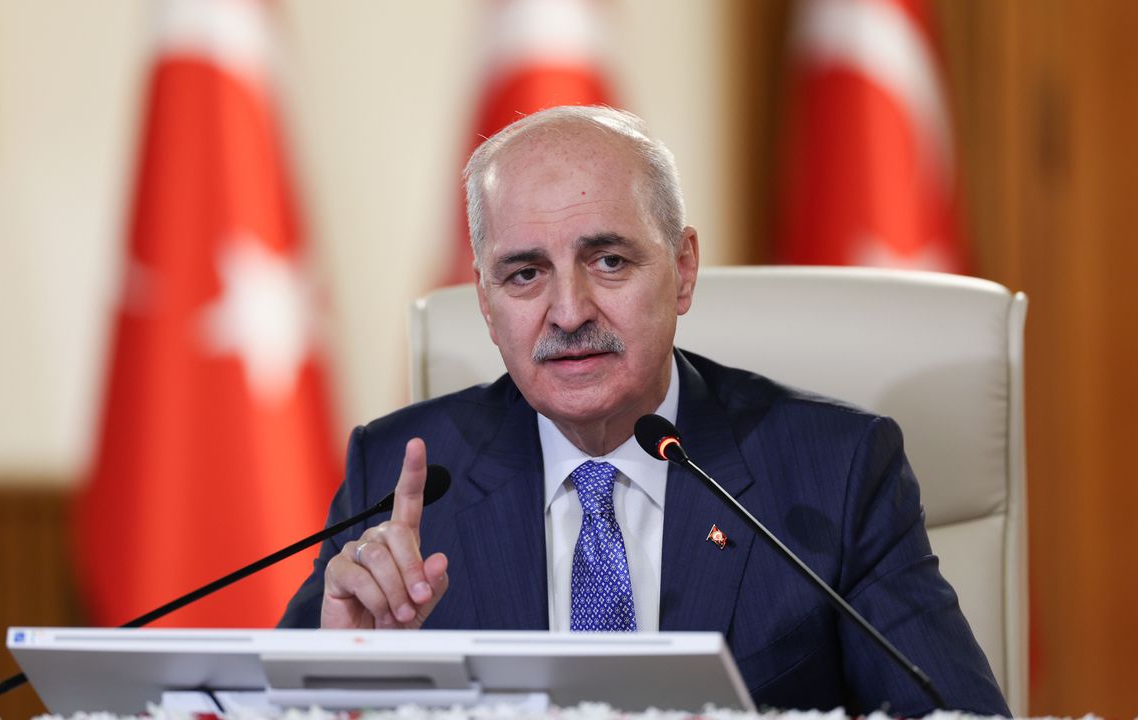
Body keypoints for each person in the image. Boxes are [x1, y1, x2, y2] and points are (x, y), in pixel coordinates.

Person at [281, 106, 1010, 717]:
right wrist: (331, 681)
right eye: (525, 274)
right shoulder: (400, 478)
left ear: (683, 269)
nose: (569, 312)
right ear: (486, 301)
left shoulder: (837, 472)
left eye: (609, 261)